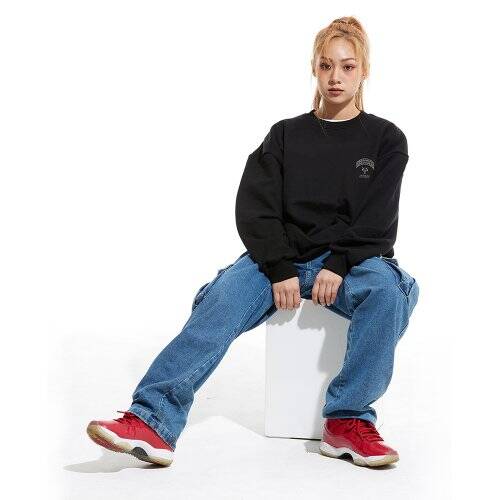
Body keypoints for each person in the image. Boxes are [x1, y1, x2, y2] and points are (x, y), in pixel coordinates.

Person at [86, 16, 419, 468]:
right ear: (314, 69)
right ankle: (152, 420)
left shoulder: (386, 138)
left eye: (347, 66)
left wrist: (338, 263)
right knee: (220, 300)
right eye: (326, 65)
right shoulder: (285, 134)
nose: (335, 77)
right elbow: (255, 206)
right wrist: (279, 267)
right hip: (282, 256)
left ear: (364, 72)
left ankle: (347, 420)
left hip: (354, 260)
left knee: (388, 294)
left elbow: (378, 218)